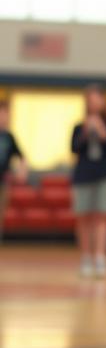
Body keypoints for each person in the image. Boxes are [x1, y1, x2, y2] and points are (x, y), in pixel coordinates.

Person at [70, 85, 106, 278]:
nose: (95, 103)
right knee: (83, 217)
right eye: (91, 99)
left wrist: (102, 131)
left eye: (98, 98)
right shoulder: (78, 127)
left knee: (102, 216)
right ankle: (86, 257)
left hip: (104, 175)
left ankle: (100, 257)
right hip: (83, 175)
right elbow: (73, 148)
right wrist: (85, 132)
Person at [0, 100, 29, 243]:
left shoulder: (9, 137)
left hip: (3, 182)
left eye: (5, 115)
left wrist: (21, 172)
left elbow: (22, 156)